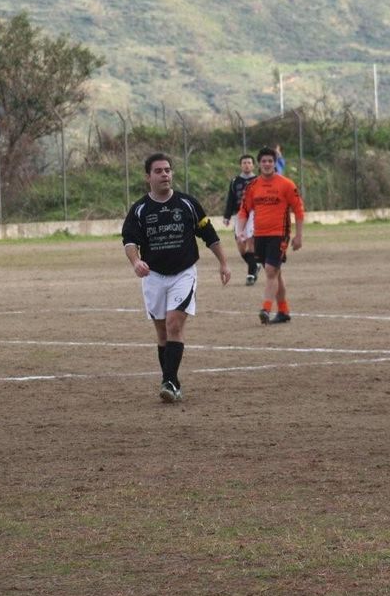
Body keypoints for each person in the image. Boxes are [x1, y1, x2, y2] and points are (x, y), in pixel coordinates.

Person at [122, 153, 231, 403]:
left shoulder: (187, 204)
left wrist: (224, 263)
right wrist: (136, 261)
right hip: (153, 276)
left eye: (168, 170)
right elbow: (129, 241)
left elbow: (209, 234)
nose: (165, 175)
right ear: (148, 177)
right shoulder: (139, 209)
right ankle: (172, 381)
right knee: (162, 332)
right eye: (159, 171)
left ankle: (169, 382)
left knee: (173, 324)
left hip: (183, 274)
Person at [236, 146, 305, 324]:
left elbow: (299, 210)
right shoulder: (253, 186)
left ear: (275, 163)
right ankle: (283, 311)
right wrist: (240, 231)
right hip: (260, 235)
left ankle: (265, 309)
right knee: (276, 273)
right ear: (259, 164)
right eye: (264, 161)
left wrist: (299, 236)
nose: (267, 164)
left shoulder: (286, 184)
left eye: (270, 161)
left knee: (270, 270)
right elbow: (244, 210)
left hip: (279, 234)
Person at [223, 154, 260, 286]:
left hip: (254, 214)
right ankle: (255, 264)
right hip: (239, 215)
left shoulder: (259, 180)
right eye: (244, 163)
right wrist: (227, 216)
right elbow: (231, 199)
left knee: (251, 242)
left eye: (249, 163)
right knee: (240, 245)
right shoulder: (235, 181)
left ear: (253, 165)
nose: (247, 165)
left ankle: (251, 274)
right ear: (240, 165)